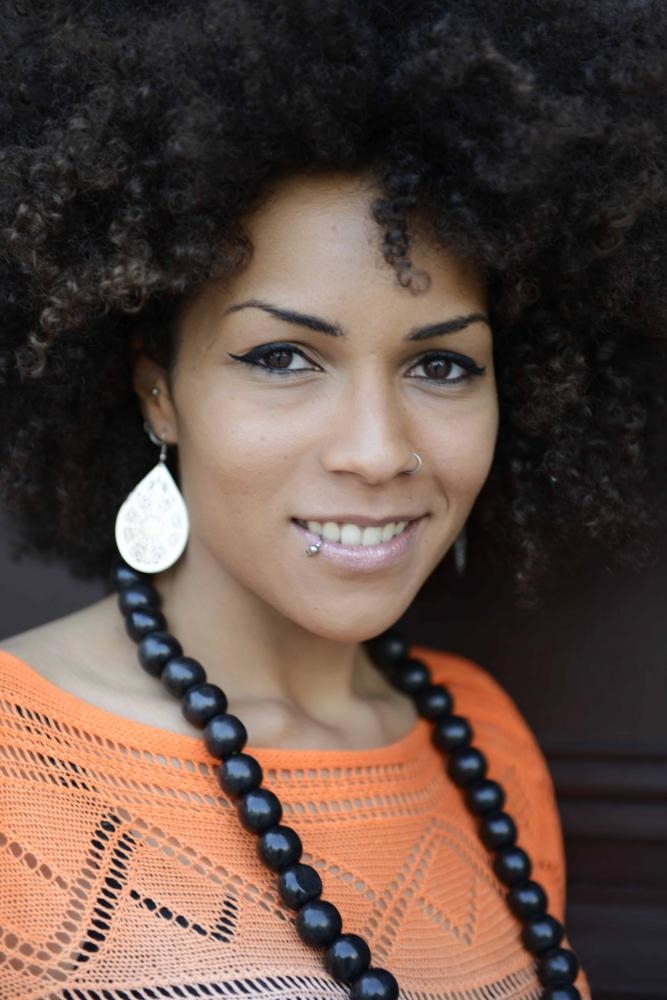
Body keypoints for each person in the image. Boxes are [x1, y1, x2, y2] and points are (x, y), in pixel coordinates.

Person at [0, 2, 664, 997]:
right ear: (157, 390)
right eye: (281, 356)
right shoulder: (14, 764)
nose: (377, 451)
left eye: (441, 365)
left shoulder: (481, 738)